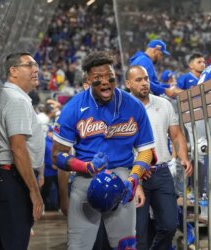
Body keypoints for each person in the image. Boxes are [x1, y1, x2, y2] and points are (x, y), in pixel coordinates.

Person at [51, 51, 156, 249]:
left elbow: (146, 151)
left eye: (110, 77)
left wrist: (134, 179)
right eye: (97, 79)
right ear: (88, 80)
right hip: (85, 179)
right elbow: (57, 155)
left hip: (122, 178)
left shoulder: (133, 106)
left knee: (125, 245)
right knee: (78, 246)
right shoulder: (74, 107)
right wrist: (86, 166)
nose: (105, 82)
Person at [125, 65, 193, 250]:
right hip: (135, 174)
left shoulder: (163, 104)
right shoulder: (123, 108)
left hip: (161, 172)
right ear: (128, 83)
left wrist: (184, 157)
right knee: (138, 231)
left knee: (170, 225)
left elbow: (176, 135)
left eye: (146, 78)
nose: (144, 83)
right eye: (138, 80)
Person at [0, 52, 44, 250]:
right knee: (15, 242)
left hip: (8, 177)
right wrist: (34, 191)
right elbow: (18, 149)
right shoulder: (16, 100)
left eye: (36, 65)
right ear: (14, 71)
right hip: (14, 178)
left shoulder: (10, 97)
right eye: (29, 65)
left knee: (2, 240)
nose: (36, 69)